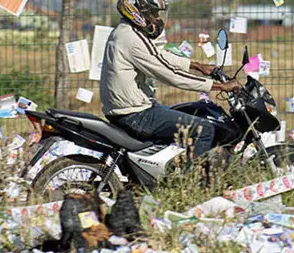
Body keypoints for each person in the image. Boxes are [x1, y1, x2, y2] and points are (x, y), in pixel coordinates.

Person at [100, 0, 240, 160]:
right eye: (153, 13)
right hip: (136, 115)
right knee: (205, 129)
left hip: (128, 110)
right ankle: (189, 180)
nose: (157, 19)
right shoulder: (132, 39)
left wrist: (197, 66)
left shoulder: (125, 32)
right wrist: (219, 86)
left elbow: (158, 56)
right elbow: (169, 74)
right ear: (137, 12)